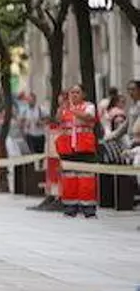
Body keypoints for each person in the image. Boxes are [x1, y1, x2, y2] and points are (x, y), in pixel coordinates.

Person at [55, 84, 98, 218]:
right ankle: (70, 208)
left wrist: (72, 109)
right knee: (69, 179)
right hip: (68, 149)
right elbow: (58, 119)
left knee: (87, 179)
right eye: (71, 92)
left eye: (77, 92)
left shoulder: (89, 106)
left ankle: (88, 209)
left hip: (85, 148)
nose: (74, 95)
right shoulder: (64, 108)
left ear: (83, 94)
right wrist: (61, 106)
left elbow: (89, 117)